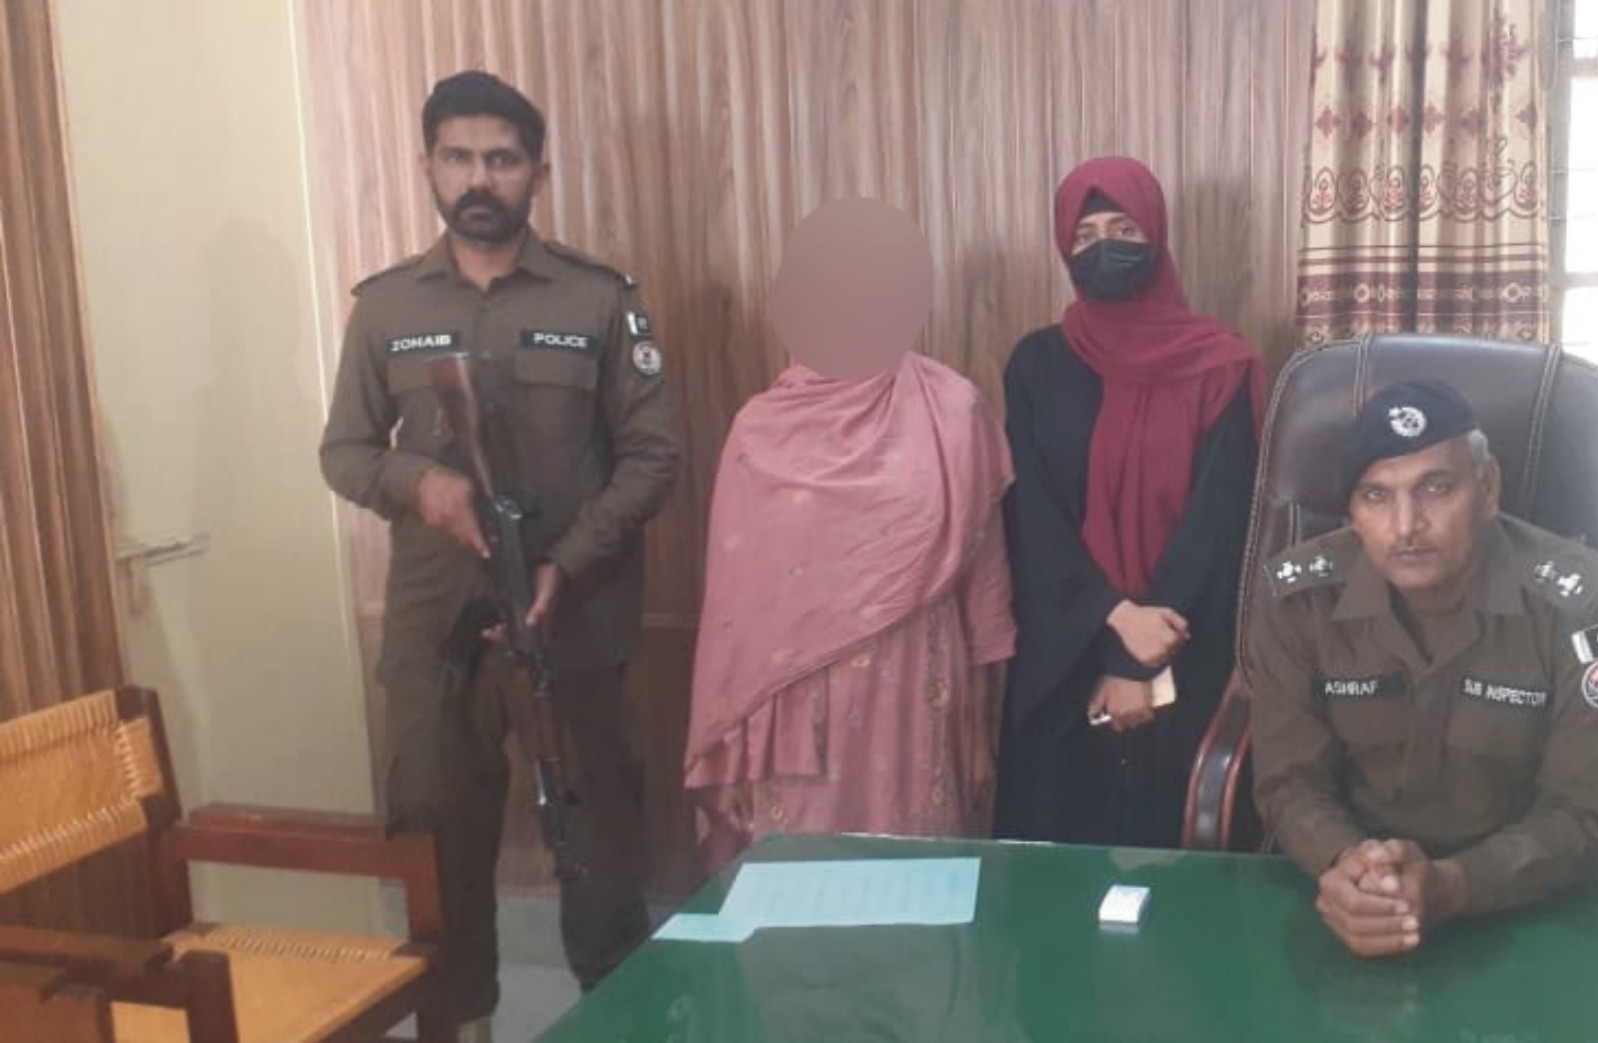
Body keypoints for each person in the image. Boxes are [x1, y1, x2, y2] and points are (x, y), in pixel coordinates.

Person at [319, 71, 678, 1040]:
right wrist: (418, 484)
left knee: (597, 843)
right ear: (429, 166)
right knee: (439, 849)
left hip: (574, 620)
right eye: (459, 157)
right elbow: (344, 451)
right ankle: (460, 1022)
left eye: (502, 159)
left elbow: (654, 456)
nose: (480, 178)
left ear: (537, 173)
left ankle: (616, 1023)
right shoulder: (386, 307)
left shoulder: (600, 299)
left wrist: (568, 559)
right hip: (436, 630)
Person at [1244, 380, 1598, 959]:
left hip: (1531, 910)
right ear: (1352, 511)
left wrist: (1451, 886)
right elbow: (1290, 781)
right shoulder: (1299, 599)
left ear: (1488, 489)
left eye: (1436, 488)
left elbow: (1584, 812)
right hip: (1348, 898)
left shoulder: (1585, 606)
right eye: (1376, 496)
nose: (1406, 525)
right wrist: (1352, 866)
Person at [683, 198, 1015, 872]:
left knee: (913, 885)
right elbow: (736, 614)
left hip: (917, 695)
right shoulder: (760, 429)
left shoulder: (951, 408)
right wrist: (737, 743)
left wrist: (979, 721)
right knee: (800, 889)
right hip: (795, 714)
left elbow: (984, 575)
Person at [994, 155, 1263, 849]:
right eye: (1084, 236)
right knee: (1057, 859)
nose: (1103, 247)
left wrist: (1138, 661)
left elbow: (1220, 522)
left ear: (1156, 235)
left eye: (1123, 229)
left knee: (1174, 862)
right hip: (1066, 651)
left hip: (1188, 645)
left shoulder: (1222, 366)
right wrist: (1112, 620)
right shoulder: (1037, 364)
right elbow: (1033, 515)